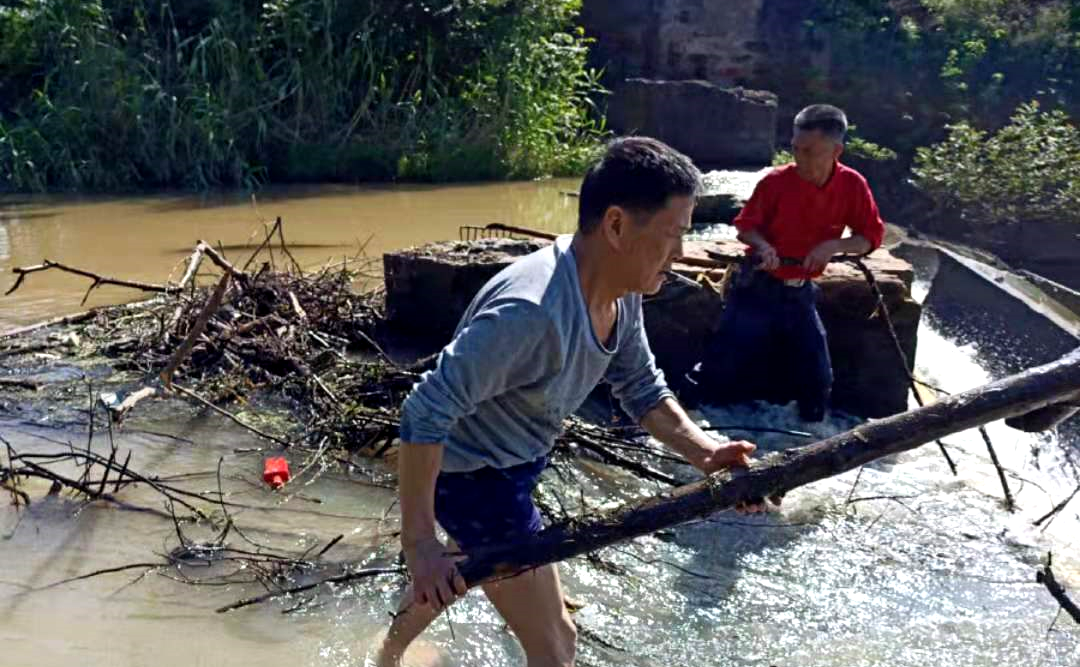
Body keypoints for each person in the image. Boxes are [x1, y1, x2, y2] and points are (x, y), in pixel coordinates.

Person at [376, 137, 774, 667]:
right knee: (558, 643)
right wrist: (419, 543)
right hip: (472, 478)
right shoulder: (531, 312)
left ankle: (385, 656)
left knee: (460, 567)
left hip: (513, 465)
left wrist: (705, 452)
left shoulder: (621, 288)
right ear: (616, 226)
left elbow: (642, 386)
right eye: (672, 235)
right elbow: (424, 411)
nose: (680, 253)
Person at [689, 104, 885, 422]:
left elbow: (870, 237)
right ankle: (695, 422)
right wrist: (763, 246)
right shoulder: (776, 181)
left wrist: (834, 245)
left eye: (810, 151)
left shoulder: (852, 185)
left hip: (800, 291)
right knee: (720, 365)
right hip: (757, 287)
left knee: (817, 375)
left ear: (836, 151)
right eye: (795, 148)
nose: (800, 158)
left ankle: (815, 435)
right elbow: (745, 226)